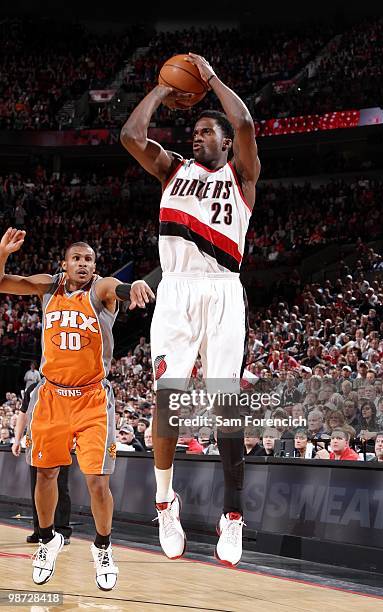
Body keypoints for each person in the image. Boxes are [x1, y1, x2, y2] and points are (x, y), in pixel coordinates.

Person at [121, 52, 260, 566]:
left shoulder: (243, 178)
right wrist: (162, 89)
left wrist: (211, 79)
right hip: (177, 292)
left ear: (225, 144)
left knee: (226, 406)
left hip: (224, 291)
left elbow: (243, 120)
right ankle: (164, 499)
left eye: (207, 132)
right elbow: (131, 138)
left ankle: (232, 516)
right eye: (195, 130)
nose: (197, 136)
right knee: (168, 398)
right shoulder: (172, 170)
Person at [0, 227, 154, 589]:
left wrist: (130, 288)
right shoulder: (48, 287)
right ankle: (48, 537)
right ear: (64, 265)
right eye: (77, 259)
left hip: (92, 399)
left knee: (98, 482)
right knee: (46, 475)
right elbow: (4, 282)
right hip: (51, 396)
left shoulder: (100, 290)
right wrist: (3, 252)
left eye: (89, 259)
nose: (83, 264)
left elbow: (114, 287)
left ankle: (102, 547)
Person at [12, 381, 72, 545]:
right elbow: (23, 413)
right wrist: (17, 440)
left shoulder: (66, 386)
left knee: (60, 486)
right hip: (37, 440)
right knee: (37, 487)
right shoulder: (33, 388)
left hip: (60, 438)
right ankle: (40, 530)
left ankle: (61, 530)